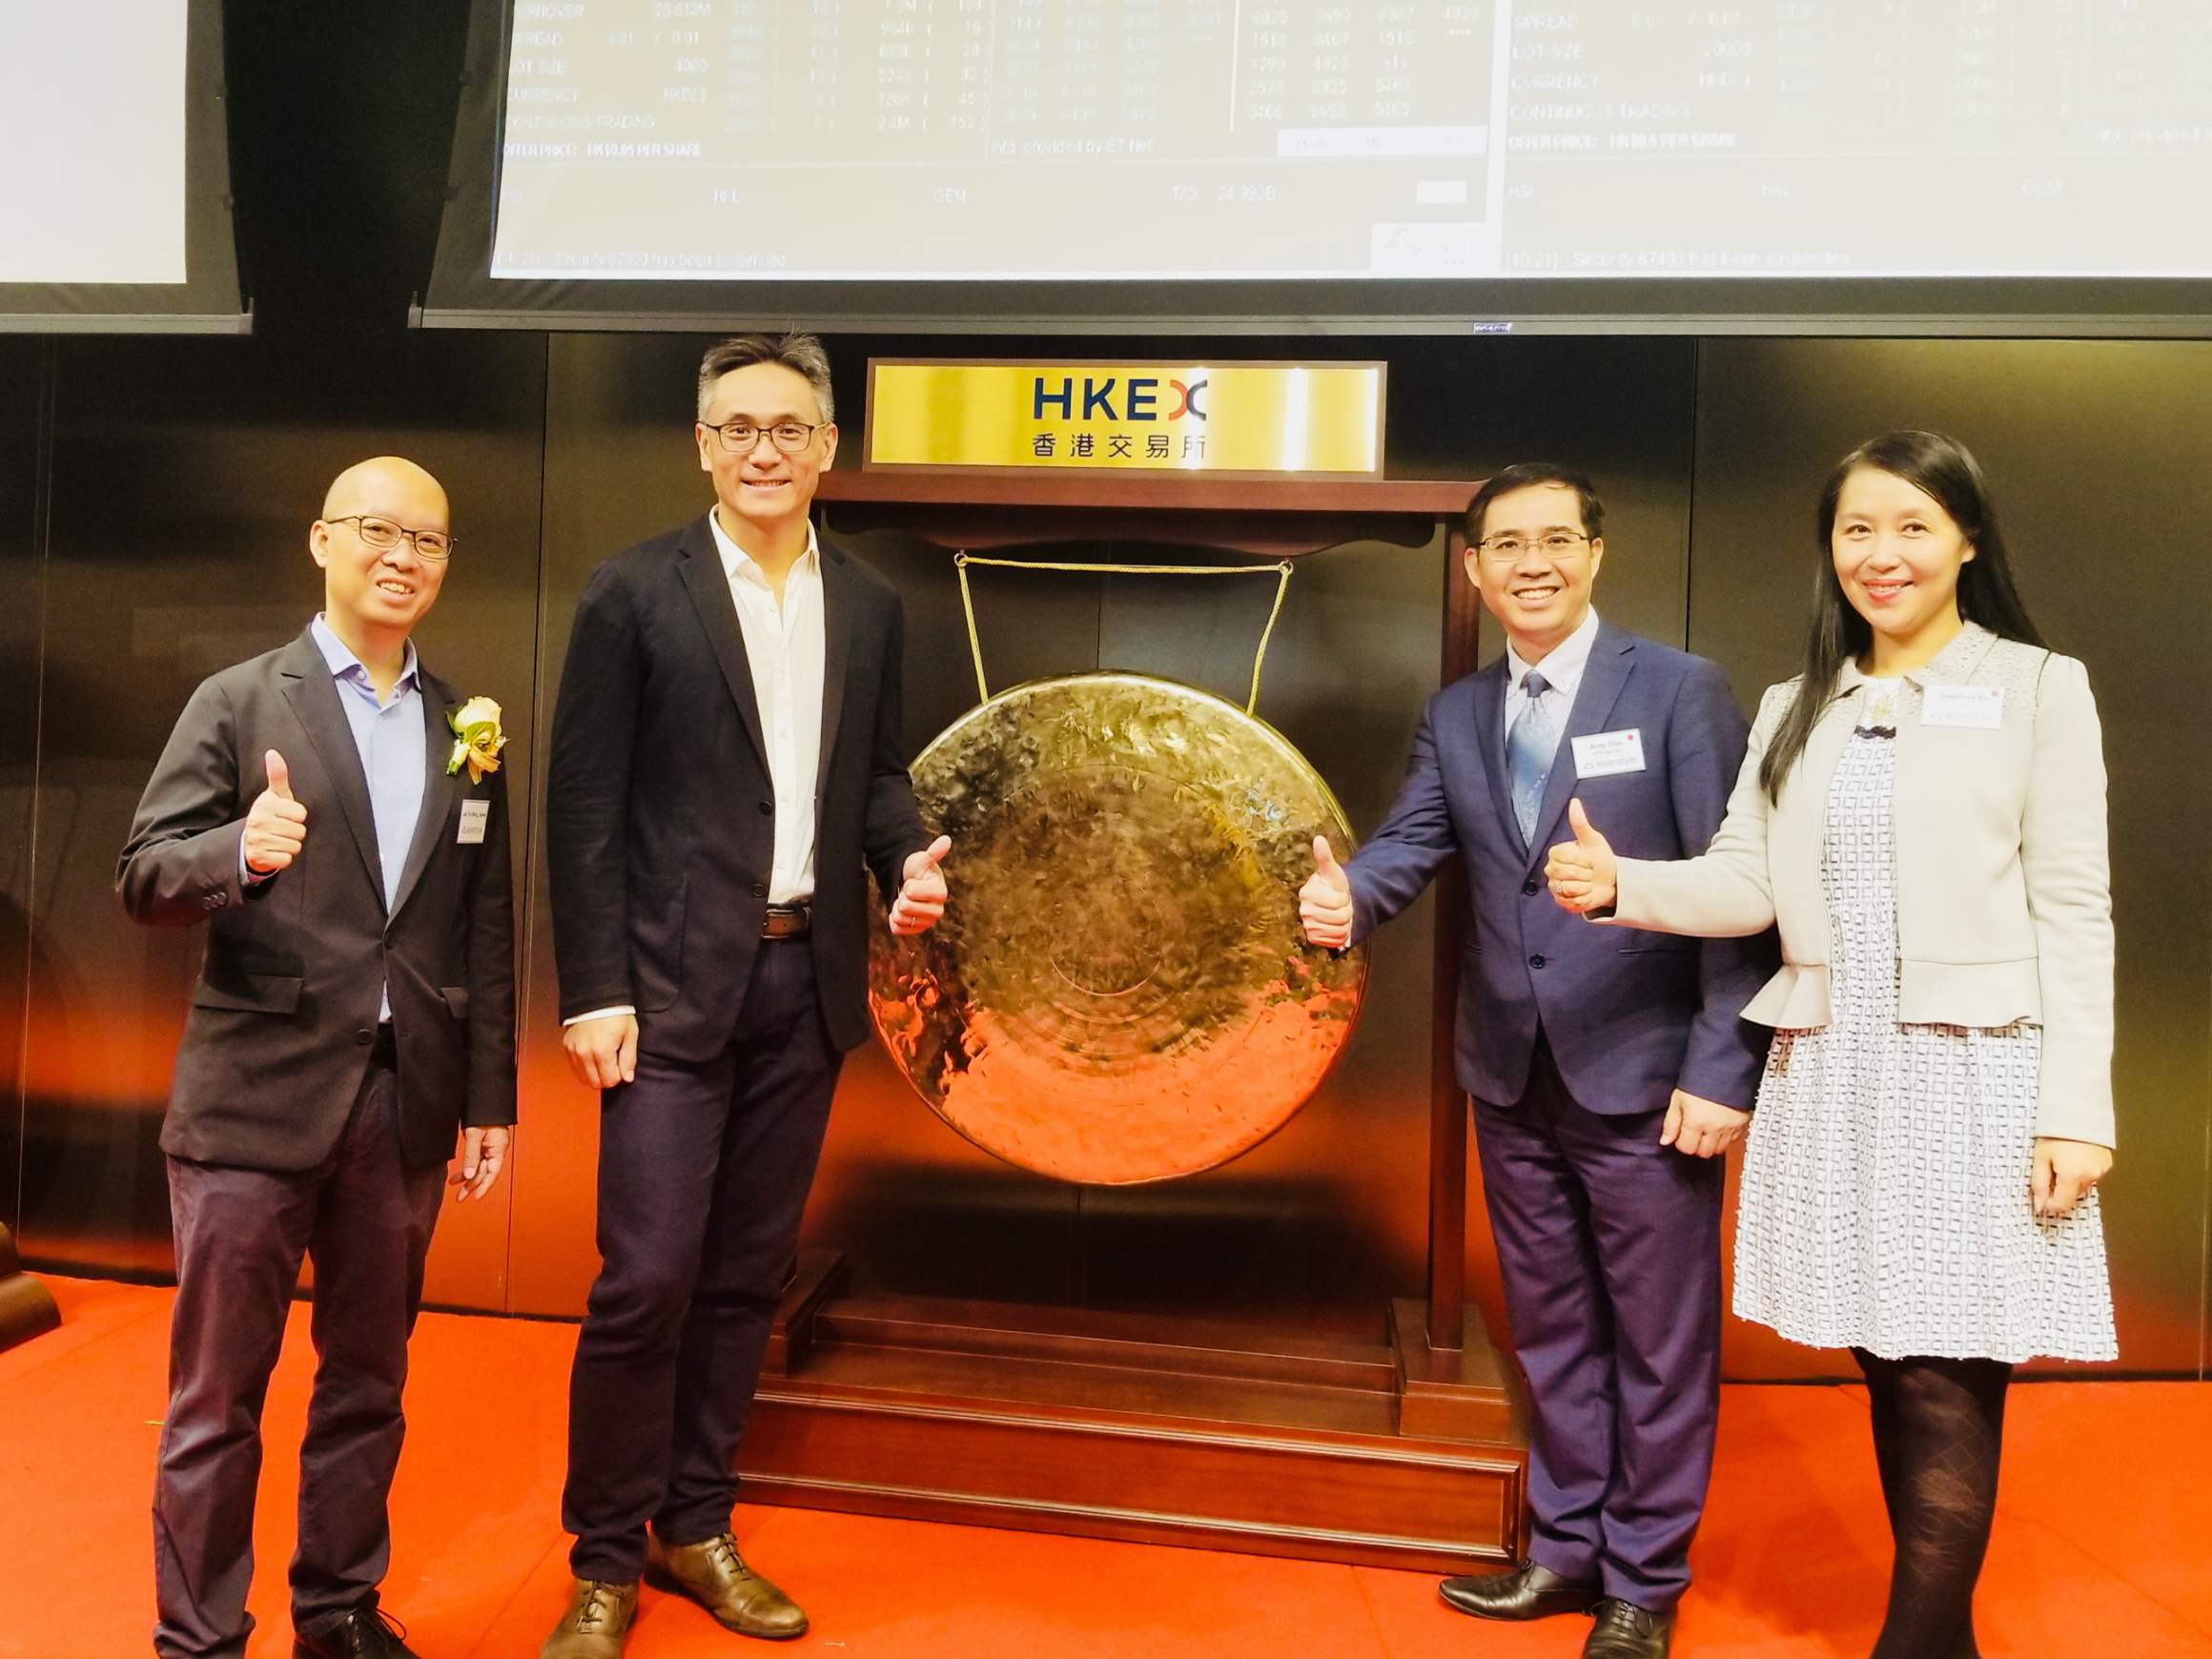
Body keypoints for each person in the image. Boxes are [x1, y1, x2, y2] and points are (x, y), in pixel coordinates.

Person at [1546, 430, 2117, 1659]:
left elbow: (2075, 908)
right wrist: (1624, 884)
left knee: (1945, 1369)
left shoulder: (2037, 686)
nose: (1881, 554)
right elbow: (1747, 882)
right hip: (1835, 1066)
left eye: (1912, 526)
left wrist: (2077, 1111)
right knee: (1885, 1357)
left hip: (1973, 1069)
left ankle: (1914, 1645)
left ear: (1967, 540)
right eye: (1858, 529)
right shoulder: (1796, 704)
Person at [1301, 463, 1775, 1659]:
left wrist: (1723, 1068)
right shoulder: (1460, 713)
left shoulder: (1675, 690)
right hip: (1510, 1074)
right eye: (1506, 544)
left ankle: (1642, 1581)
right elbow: (1411, 841)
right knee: (1554, 1329)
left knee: (1658, 1346)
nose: (1533, 564)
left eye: (1556, 539)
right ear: (1472, 568)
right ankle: (1565, 1550)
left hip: (1646, 1077)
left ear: (1595, 553)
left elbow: (1741, 889)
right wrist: (1348, 900)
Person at [541, 333, 950, 1659]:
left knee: (740, 1281)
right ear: (702, 448)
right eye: (738, 429)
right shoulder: (631, 590)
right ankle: (603, 1560)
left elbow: (874, 777)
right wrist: (594, 989)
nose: (763, 451)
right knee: (647, 1279)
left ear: (827, 447)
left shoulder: (871, 604)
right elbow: (584, 804)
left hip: (805, 983)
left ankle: (696, 1523)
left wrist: (904, 859)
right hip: (661, 994)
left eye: (787, 429)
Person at [119, 457, 518, 1659]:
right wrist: (239, 851)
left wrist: (489, 1096)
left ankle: (338, 1609)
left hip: (402, 1105)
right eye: (378, 530)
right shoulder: (240, 700)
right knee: (217, 1398)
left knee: (369, 1385)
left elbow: (483, 929)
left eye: (429, 540)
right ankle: (199, 1637)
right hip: (254, 1102)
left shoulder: (466, 728)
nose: (403, 557)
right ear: (321, 540)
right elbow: (143, 878)